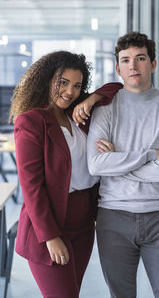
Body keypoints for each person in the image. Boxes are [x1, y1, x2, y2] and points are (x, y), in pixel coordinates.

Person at [9, 50, 121, 298]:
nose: (70, 91)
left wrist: (92, 99)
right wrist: (50, 237)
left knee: (73, 292)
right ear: (48, 80)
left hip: (84, 224)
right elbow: (31, 186)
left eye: (77, 85)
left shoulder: (78, 115)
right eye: (63, 83)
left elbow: (117, 87)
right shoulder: (32, 121)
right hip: (50, 225)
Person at [86, 31, 159, 298]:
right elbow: (96, 164)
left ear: (152, 64)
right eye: (126, 60)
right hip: (113, 217)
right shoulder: (104, 109)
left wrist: (118, 162)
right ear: (118, 67)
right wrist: (149, 154)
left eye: (140, 58)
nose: (133, 65)